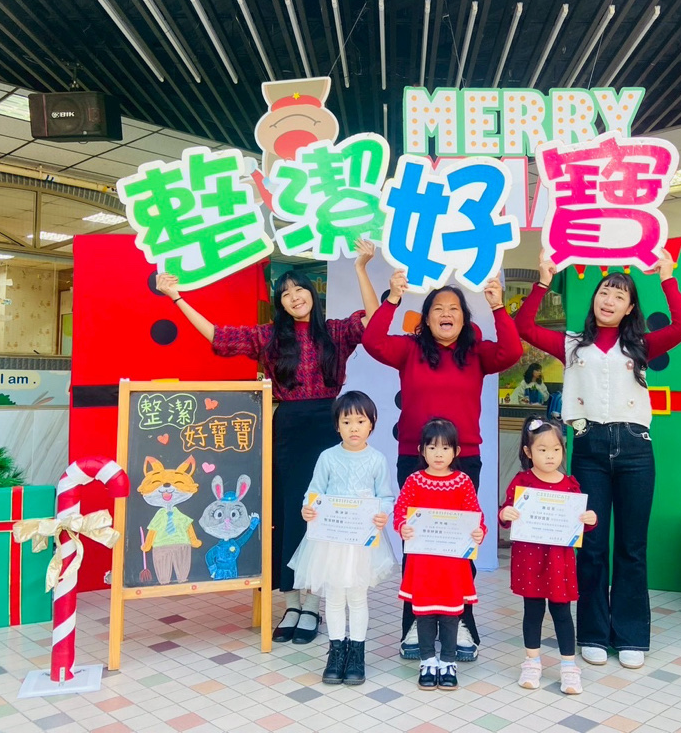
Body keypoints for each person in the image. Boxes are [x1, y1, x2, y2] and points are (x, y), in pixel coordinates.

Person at [155, 239, 380, 645]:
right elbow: (218, 337)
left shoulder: (335, 331)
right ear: (280, 302)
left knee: (323, 513)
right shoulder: (269, 337)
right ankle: (292, 602)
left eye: (300, 289)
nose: (294, 297)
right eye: (285, 293)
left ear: (312, 293)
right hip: (289, 428)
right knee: (291, 513)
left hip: (329, 428)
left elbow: (374, 322)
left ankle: (313, 605)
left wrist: (361, 268)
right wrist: (176, 297)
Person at [514, 249, 681, 669]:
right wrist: (542, 281)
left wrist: (668, 278)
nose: (608, 300)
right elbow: (524, 326)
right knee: (592, 544)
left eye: (619, 295)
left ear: (630, 308)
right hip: (589, 446)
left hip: (635, 448)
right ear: (594, 300)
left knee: (632, 546)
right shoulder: (572, 344)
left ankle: (630, 635)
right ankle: (593, 633)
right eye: (604, 292)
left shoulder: (641, 345)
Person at [362, 271, 522, 660]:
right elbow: (373, 341)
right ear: (426, 317)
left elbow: (512, 352)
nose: (446, 314)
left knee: (460, 543)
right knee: (416, 542)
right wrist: (393, 297)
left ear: (464, 318)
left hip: (464, 461)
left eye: (454, 309)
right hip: (414, 461)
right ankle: (413, 624)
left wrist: (499, 307)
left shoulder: (477, 353)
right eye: (437, 308)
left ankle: (462, 622)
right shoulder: (409, 350)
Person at [289, 391, 395, 685]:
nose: (354, 428)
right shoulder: (328, 457)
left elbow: (386, 496)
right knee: (334, 597)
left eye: (360, 421)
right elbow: (314, 491)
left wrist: (383, 513)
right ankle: (336, 653)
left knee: (357, 597)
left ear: (372, 423)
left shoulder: (377, 459)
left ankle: (357, 654)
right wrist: (308, 508)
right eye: (346, 422)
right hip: (330, 541)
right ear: (337, 425)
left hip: (361, 543)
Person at [499, 416, 597, 694]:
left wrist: (589, 520)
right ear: (528, 452)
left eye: (556, 449)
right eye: (542, 449)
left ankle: (569, 667)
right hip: (529, 559)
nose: (550, 455)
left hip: (559, 561)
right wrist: (505, 514)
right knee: (532, 611)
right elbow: (505, 513)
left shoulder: (570, 485)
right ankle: (532, 662)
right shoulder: (522, 482)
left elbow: (581, 525)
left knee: (562, 612)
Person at [394, 419, 486, 690]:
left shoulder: (463, 482)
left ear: (456, 452)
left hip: (452, 565)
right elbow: (401, 511)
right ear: (421, 450)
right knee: (423, 613)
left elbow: (475, 515)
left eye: (445, 448)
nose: (438, 454)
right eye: (432, 447)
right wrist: (403, 526)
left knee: (450, 613)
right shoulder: (414, 481)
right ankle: (427, 661)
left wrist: (478, 531)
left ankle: (448, 662)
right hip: (423, 563)